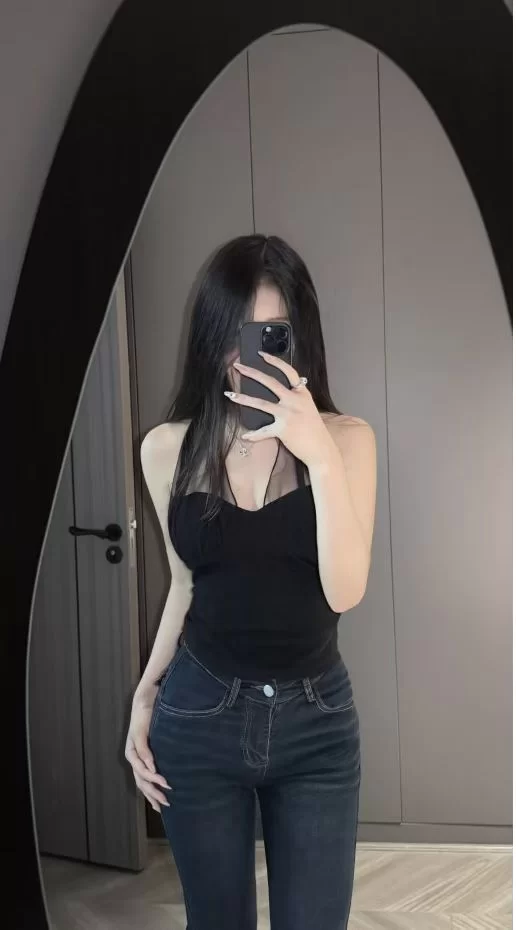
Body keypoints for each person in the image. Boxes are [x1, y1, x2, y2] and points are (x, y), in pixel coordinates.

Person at [125, 234, 377, 930]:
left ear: (300, 341)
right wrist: (145, 696)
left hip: (317, 726)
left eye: (274, 335)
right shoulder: (167, 448)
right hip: (199, 715)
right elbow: (185, 586)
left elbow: (345, 591)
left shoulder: (348, 441)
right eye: (239, 333)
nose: (251, 357)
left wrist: (317, 455)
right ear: (213, 339)